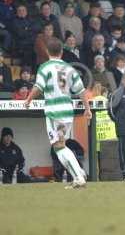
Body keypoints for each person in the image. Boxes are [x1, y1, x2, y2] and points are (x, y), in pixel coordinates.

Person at [24, 37, 92, 189]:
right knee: (62, 145)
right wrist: (87, 109)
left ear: (47, 51)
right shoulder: (69, 68)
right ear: (62, 52)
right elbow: (81, 90)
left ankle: (79, 177)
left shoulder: (45, 67)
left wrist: (28, 99)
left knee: (58, 147)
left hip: (54, 112)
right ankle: (79, 172)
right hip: (67, 112)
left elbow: (38, 87)